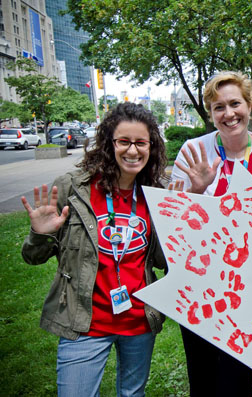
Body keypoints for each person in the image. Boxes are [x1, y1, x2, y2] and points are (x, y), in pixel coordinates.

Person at [21, 102, 168, 396]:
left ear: (151, 147)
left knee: (132, 394)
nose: (133, 151)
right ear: (108, 144)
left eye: (141, 143)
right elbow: (32, 257)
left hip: (139, 321)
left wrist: (181, 225)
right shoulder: (73, 189)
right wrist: (40, 234)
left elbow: (164, 262)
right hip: (84, 323)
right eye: (124, 141)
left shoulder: (155, 196)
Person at [171, 70, 252, 396]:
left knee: (236, 378)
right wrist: (197, 193)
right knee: (202, 377)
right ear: (210, 113)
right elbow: (174, 225)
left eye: (235, 104)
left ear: (249, 106)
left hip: (249, 289)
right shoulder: (192, 151)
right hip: (200, 284)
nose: (228, 114)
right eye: (218, 107)